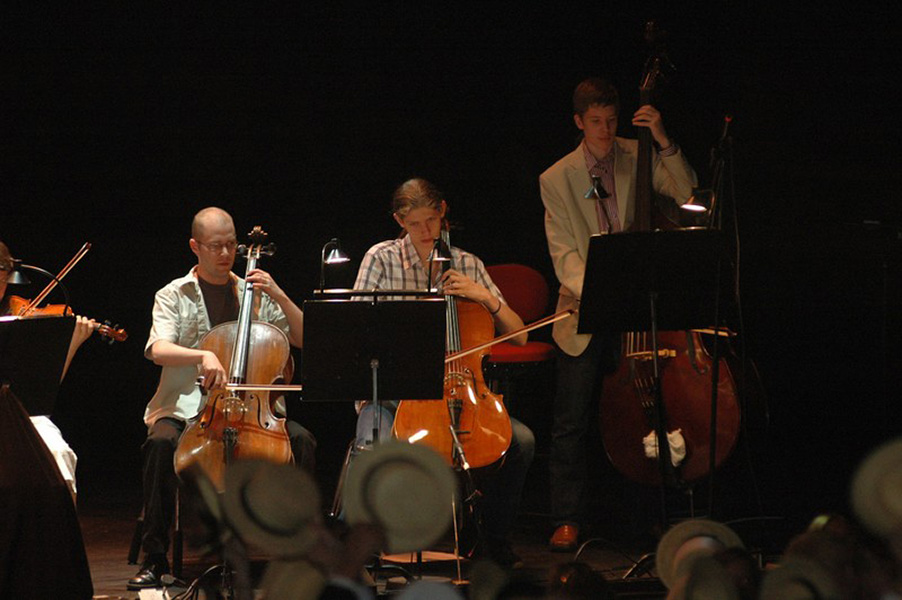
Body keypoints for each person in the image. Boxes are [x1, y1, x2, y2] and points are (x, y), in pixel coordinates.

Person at [539, 77, 697, 551]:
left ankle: (648, 514)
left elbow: (685, 191)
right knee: (571, 419)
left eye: (611, 120)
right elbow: (564, 255)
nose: (606, 130)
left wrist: (662, 139)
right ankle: (566, 517)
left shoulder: (637, 153)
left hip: (635, 309)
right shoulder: (555, 177)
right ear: (578, 122)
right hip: (584, 308)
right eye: (596, 122)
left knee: (645, 411)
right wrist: (604, 291)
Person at [129, 207, 317, 590]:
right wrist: (202, 354)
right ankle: (155, 557)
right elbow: (157, 348)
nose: (226, 253)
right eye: (215, 246)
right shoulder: (173, 294)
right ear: (195, 246)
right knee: (160, 444)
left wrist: (279, 295)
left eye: (231, 244)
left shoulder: (256, 294)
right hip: (186, 409)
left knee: (302, 441)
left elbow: (302, 338)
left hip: (253, 412)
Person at [351, 178, 535, 568]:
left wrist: (484, 296)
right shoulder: (380, 259)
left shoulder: (467, 263)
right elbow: (358, 332)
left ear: (443, 212)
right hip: (397, 391)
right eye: (415, 224)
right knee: (373, 437)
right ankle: (373, 549)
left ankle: (493, 542)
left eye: (432, 221)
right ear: (399, 221)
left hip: (462, 392)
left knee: (521, 441)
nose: (426, 232)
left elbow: (519, 336)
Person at [0, 240, 95, 502]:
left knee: (58, 455)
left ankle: (60, 526)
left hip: (18, 415)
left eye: (3, 281)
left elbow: (40, 388)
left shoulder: (17, 321)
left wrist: (72, 344)